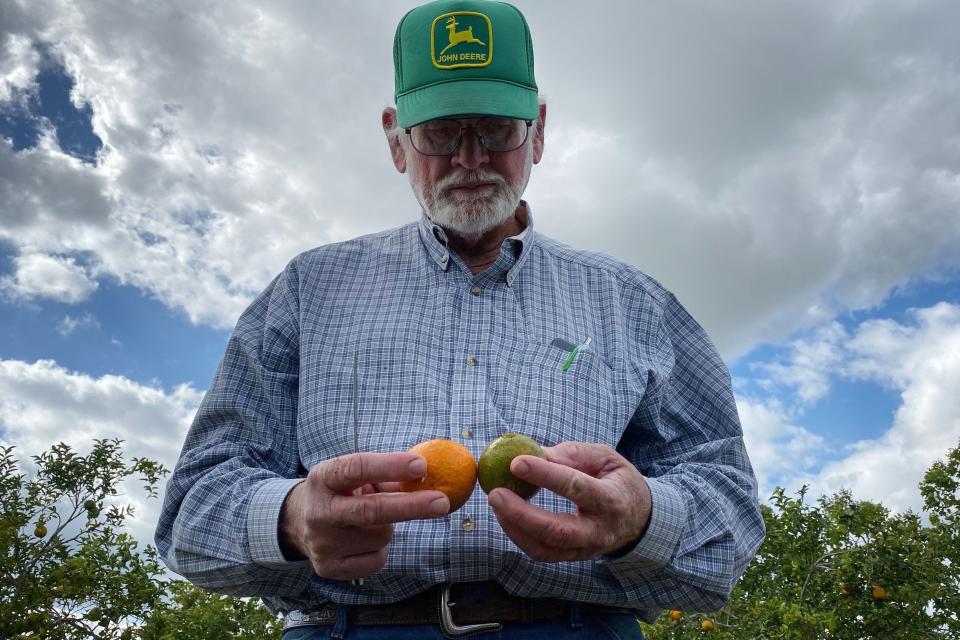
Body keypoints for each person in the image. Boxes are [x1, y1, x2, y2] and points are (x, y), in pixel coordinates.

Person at [155, 1, 765, 638]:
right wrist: (287, 516)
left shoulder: (634, 302)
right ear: (396, 140)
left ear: (540, 130)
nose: (470, 158)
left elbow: (728, 504)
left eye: (497, 129)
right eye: (442, 132)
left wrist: (643, 519)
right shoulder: (309, 289)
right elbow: (192, 510)